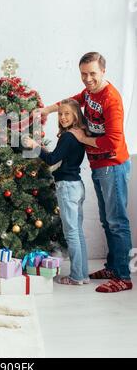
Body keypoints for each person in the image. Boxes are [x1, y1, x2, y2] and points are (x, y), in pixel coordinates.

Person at [41, 52, 132, 293]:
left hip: (113, 166)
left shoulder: (111, 99)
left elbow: (113, 142)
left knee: (117, 222)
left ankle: (123, 276)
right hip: (99, 168)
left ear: (103, 71)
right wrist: (48, 110)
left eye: (92, 73)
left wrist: (83, 137)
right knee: (106, 221)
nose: (88, 79)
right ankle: (112, 267)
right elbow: (74, 99)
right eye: (83, 74)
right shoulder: (90, 93)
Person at [24, 99, 89, 285]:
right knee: (78, 232)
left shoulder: (68, 136)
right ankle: (82, 274)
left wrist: (35, 146)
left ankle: (76, 276)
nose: (62, 117)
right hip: (77, 185)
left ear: (76, 115)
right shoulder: (78, 134)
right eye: (60, 114)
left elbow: (52, 159)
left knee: (72, 234)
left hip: (67, 187)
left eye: (67, 113)